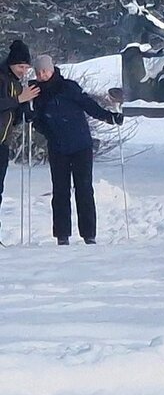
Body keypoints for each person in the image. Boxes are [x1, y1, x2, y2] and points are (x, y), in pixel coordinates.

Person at [29, 55, 123, 245]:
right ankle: (62, 236)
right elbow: (37, 120)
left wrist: (108, 117)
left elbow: (88, 105)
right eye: (38, 72)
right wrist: (41, 126)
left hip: (81, 145)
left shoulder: (68, 87)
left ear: (52, 69)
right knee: (60, 191)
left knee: (84, 189)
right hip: (57, 148)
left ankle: (89, 234)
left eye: (44, 71)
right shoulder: (36, 93)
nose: (42, 75)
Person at [0, 41, 39, 234]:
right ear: (11, 64)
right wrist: (19, 100)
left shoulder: (16, 82)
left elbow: (11, 111)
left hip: (3, 141)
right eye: (20, 67)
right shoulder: (2, 78)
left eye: (26, 67)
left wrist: (24, 112)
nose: (24, 71)